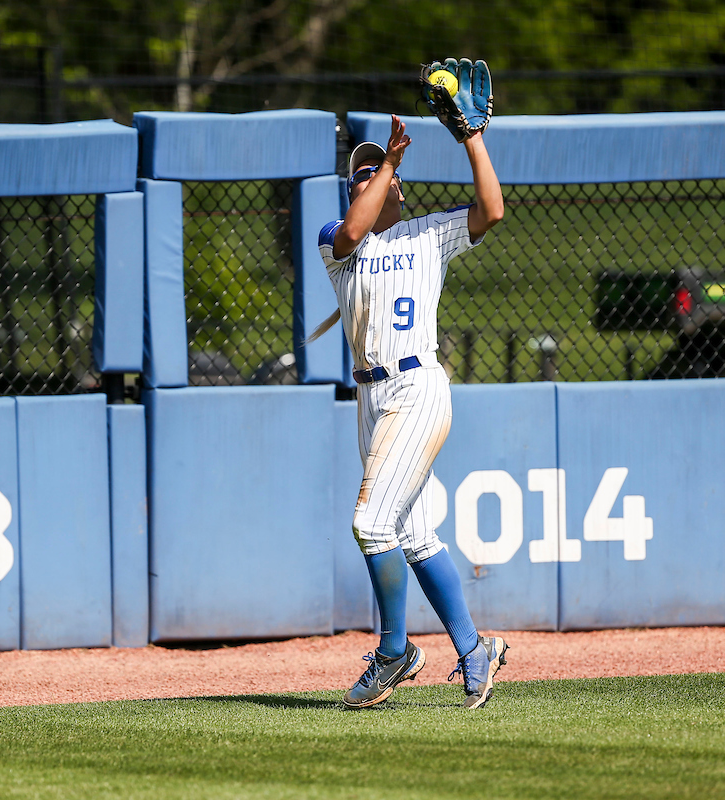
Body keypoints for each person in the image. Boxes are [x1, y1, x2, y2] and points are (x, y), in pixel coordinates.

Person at [315, 114, 507, 709]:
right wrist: (390, 163)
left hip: (417, 388)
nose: (369, 178)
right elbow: (351, 230)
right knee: (416, 535)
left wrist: (471, 137)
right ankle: (475, 650)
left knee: (372, 524)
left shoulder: (428, 234)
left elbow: (492, 210)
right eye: (360, 174)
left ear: (400, 186)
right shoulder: (338, 243)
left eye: (379, 171)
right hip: (371, 399)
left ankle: (395, 651)